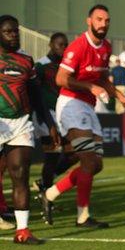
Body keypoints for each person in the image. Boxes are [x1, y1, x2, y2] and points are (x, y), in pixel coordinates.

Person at [39, 4, 125, 228]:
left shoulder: (106, 47)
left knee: (95, 164)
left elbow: (103, 78)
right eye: (99, 19)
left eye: (107, 20)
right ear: (88, 21)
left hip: (88, 107)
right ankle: (82, 216)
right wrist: (90, 87)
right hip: (71, 104)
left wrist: (119, 95)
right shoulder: (78, 46)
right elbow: (60, 79)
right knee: (89, 161)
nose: (103, 24)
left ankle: (50, 194)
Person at [0, 15, 60, 244]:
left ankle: (22, 231)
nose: (14, 35)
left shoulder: (26, 61)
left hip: (20, 123)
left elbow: (37, 96)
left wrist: (49, 124)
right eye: (8, 31)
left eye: (16, 31)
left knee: (21, 174)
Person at [33, 32, 77, 194]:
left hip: (63, 114)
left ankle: (44, 182)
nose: (63, 48)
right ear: (51, 44)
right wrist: (40, 115)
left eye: (66, 45)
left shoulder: (66, 66)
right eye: (60, 44)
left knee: (74, 153)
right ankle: (46, 193)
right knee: (52, 156)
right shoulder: (41, 65)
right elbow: (35, 93)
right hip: (45, 116)